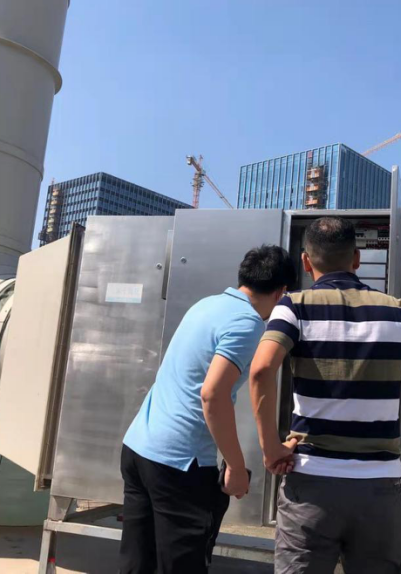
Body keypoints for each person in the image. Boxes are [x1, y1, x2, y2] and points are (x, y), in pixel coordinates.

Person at [250, 216, 401, 574]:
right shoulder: (400, 311)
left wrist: (270, 448)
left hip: (311, 483)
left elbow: (260, 371)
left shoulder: (293, 306)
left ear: (306, 262)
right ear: (356, 258)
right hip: (379, 487)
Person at [119, 245, 297, 574]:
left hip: (138, 448)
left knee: (137, 564)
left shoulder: (207, 304)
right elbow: (212, 395)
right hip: (179, 463)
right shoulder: (248, 323)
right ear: (281, 292)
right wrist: (236, 468)